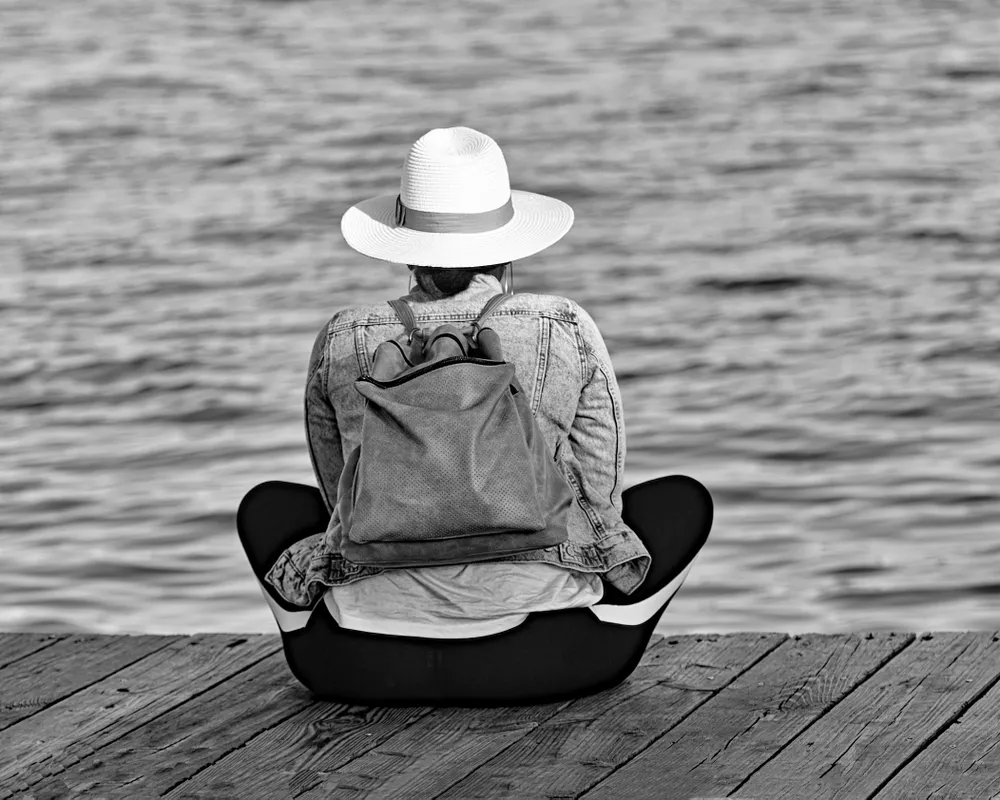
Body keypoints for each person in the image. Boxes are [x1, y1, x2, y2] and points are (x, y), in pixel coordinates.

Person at [238, 126, 713, 703]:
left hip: (354, 665)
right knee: (680, 500)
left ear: (404, 245)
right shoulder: (561, 325)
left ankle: (349, 612)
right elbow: (600, 496)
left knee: (272, 507)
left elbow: (340, 497)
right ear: (510, 241)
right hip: (553, 657)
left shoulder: (343, 336)